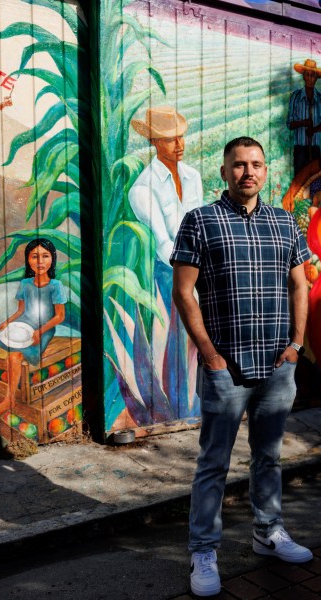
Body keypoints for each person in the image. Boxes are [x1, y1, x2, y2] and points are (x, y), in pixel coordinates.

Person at [171, 137, 312, 597]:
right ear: (224, 171)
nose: (247, 172)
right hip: (225, 367)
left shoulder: (285, 222)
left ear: (265, 171)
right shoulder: (200, 221)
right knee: (214, 461)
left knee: (268, 456)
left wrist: (296, 345)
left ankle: (268, 532)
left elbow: (299, 286)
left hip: (277, 365)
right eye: (238, 165)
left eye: (255, 165)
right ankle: (203, 551)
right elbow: (183, 292)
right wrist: (209, 355)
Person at [129, 106, 204, 416]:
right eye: (171, 139)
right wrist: (191, 271)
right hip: (170, 272)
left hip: (201, 266)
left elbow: (200, 221)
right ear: (155, 143)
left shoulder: (192, 176)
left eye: (181, 137)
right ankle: (181, 405)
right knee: (180, 339)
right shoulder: (142, 187)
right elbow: (163, 243)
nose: (180, 144)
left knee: (205, 338)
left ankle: (202, 400)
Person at [0, 239, 67, 414]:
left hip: (43, 329)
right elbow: (21, 310)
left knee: (14, 357)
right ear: (28, 259)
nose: (40, 262)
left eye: (45, 256)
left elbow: (60, 316)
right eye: (34, 257)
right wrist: (7, 322)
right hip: (23, 323)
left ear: (52, 259)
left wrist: (40, 331)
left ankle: (10, 400)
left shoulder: (56, 286)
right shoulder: (25, 284)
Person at [286, 58, 321, 175]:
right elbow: (289, 124)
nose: (310, 78)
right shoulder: (295, 97)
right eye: (307, 74)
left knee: (314, 180)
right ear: (303, 76)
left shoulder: (320, 99)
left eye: (313, 75)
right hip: (300, 149)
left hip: (315, 149)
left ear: (316, 78)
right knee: (299, 183)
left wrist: (314, 129)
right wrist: (304, 123)